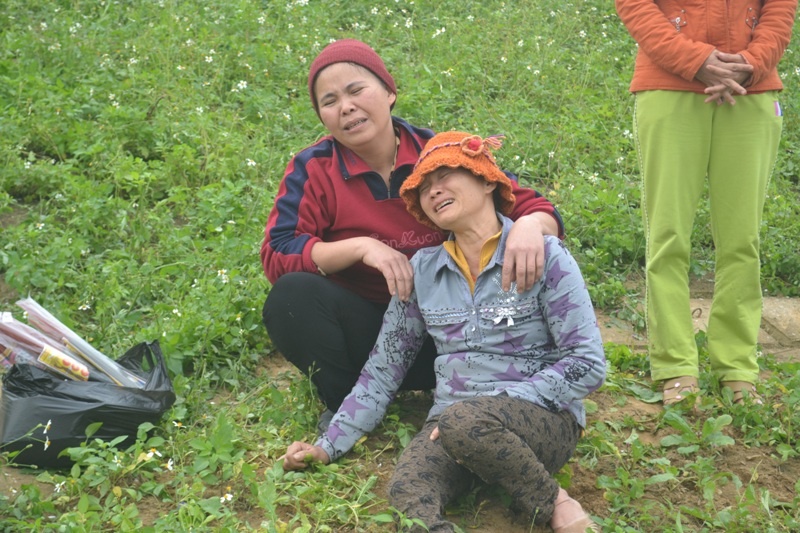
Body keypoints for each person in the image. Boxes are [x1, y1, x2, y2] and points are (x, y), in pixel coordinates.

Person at [281, 131, 605, 533]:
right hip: (450, 425)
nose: (433, 191)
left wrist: (487, 408)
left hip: (541, 419)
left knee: (464, 422)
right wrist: (327, 446)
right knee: (408, 488)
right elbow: (383, 371)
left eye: (446, 175)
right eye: (423, 189)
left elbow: (586, 362)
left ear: (488, 181)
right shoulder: (422, 271)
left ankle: (554, 501)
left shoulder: (545, 254)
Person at [260, 39, 564, 428]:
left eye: (356, 90)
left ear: (389, 92)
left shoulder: (438, 153)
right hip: (369, 333)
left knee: (531, 254)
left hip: (459, 330)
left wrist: (528, 226)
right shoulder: (314, 169)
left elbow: (534, 207)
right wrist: (361, 248)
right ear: (322, 116)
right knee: (291, 296)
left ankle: (490, 387)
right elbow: (278, 252)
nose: (346, 107)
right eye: (330, 101)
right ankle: (348, 401)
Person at [614, 0, 796, 407]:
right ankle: (676, 364)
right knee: (668, 235)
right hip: (669, 86)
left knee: (742, 240)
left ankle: (737, 367)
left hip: (751, 90)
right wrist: (694, 60)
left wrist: (751, 62)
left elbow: (781, 6)